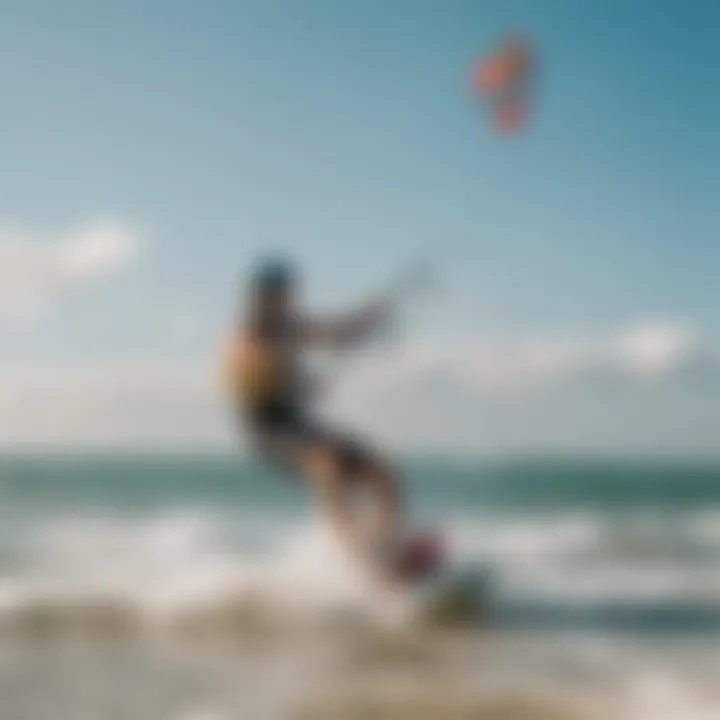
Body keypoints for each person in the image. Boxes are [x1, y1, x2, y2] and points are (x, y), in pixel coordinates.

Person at [222, 257, 405, 587]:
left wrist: (370, 319)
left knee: (380, 468)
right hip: (267, 429)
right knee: (326, 464)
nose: (284, 300)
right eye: (276, 294)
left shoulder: (290, 325)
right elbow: (252, 367)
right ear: (259, 297)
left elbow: (339, 333)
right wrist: (298, 382)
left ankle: (390, 545)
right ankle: (359, 557)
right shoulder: (245, 333)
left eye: (287, 294)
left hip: (299, 424)